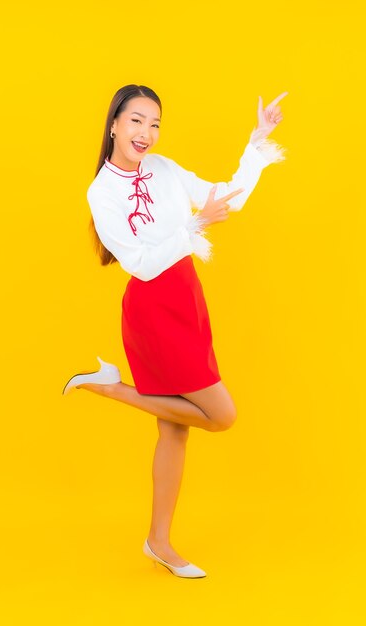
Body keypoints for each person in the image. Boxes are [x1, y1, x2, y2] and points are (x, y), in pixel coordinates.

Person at [62, 84, 288, 578]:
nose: (147, 133)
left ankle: (158, 542)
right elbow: (140, 265)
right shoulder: (101, 191)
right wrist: (193, 227)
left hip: (187, 295)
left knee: (175, 428)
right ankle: (112, 389)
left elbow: (225, 197)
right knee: (221, 415)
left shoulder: (163, 169)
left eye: (156, 124)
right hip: (153, 307)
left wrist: (258, 141)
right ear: (115, 124)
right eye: (138, 121)